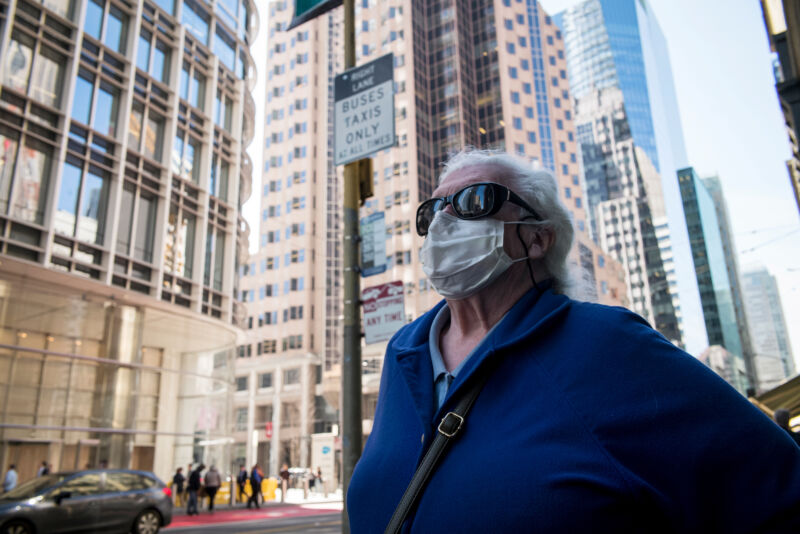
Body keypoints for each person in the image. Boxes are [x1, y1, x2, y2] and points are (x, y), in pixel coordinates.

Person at [346, 150, 800, 533]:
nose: (444, 220)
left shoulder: (610, 346)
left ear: (538, 237)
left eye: (474, 200)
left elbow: (776, 487)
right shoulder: (403, 351)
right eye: (433, 210)